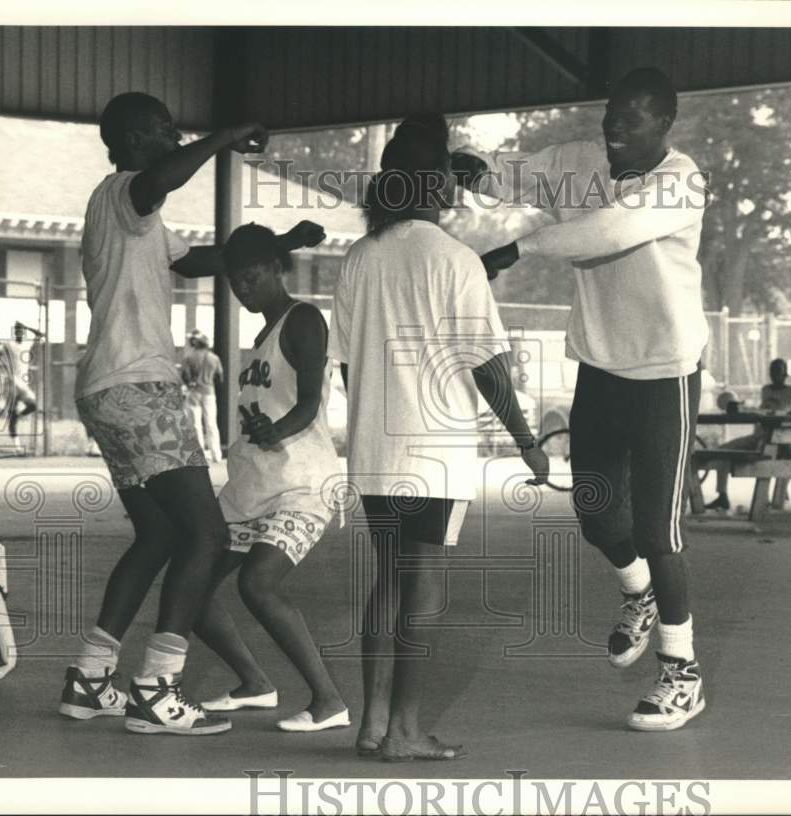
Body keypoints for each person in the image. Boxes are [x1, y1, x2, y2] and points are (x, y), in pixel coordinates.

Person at [453, 67, 709, 731]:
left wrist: (516, 247)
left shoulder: (681, 181)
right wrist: (470, 165)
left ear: (664, 125)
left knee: (658, 529)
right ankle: (638, 594)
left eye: (632, 119)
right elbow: (511, 176)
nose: (614, 128)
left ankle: (681, 673)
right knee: (598, 517)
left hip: (666, 371)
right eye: (610, 115)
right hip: (599, 364)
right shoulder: (579, 162)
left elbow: (611, 231)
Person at [59, 91, 319, 736]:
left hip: (105, 391)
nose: (177, 139)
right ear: (139, 137)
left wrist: (278, 242)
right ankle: (157, 688)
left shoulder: (134, 218)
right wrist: (227, 134)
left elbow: (198, 260)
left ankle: (91, 679)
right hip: (140, 388)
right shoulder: (124, 191)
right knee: (205, 535)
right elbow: (159, 180)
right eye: (168, 132)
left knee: (159, 536)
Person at [330, 114, 548, 760]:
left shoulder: (358, 258)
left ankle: (371, 723)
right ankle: (403, 729)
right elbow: (488, 364)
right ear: (437, 184)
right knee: (423, 584)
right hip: (435, 455)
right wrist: (527, 440)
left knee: (387, 580)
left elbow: (348, 365)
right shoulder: (455, 261)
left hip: (375, 451)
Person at [187, 222, 350, 732]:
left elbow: (308, 405)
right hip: (251, 486)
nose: (242, 288)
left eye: (252, 276)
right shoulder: (261, 334)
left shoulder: (302, 321)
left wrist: (272, 428)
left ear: (278, 269)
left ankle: (328, 701)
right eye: (235, 280)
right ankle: (255, 683)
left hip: (302, 484)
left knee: (258, 584)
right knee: (188, 587)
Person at [705, 358, 791, 511]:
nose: (775, 375)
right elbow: (762, 410)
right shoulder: (766, 390)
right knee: (723, 451)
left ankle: (772, 496)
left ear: (785, 374)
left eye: (778, 371)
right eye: (772, 371)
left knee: (771, 456)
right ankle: (722, 495)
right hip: (760, 435)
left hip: (780, 440)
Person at [0, 322, 40, 453]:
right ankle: (17, 447)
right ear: (14, 332)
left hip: (23, 383)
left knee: (33, 405)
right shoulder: (8, 344)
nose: (19, 333)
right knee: (12, 417)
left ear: (23, 332)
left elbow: (40, 334)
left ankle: (19, 413)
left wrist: (27, 326)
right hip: (11, 382)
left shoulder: (27, 343)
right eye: (17, 331)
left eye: (21, 331)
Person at [181, 329, 224, 463]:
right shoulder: (214, 358)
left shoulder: (189, 357)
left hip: (194, 391)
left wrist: (190, 383)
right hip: (209, 392)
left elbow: (185, 375)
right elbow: (220, 377)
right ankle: (216, 455)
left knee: (196, 424)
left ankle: (201, 454)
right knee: (211, 423)